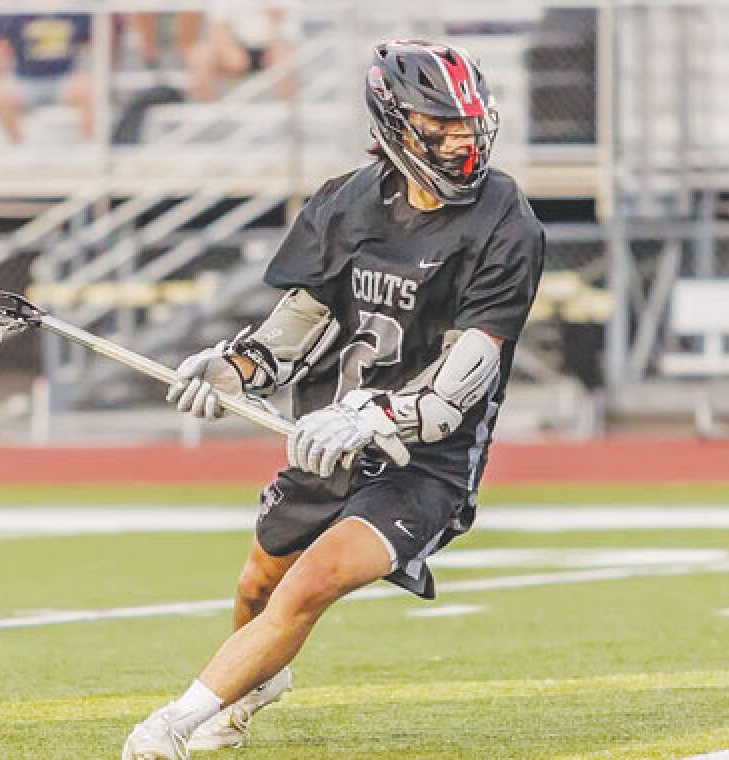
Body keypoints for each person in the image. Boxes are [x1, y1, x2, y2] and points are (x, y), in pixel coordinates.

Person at [121, 39, 545, 759]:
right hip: (326, 438)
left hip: (424, 460)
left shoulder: (506, 224)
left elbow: (458, 388)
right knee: (258, 583)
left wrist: (374, 413)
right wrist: (235, 367)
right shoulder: (347, 202)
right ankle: (251, 687)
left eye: (466, 126)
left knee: (310, 584)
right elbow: (300, 324)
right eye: (438, 126)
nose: (458, 143)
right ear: (394, 122)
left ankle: (172, 725)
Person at [0, 13, 93, 144]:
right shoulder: (15, 14)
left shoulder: (74, 12)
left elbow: (95, 41)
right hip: (24, 80)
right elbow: (1, 49)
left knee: (91, 89)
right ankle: (18, 147)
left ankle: (89, 146)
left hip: (63, 78)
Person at [185, 1, 296, 101]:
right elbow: (218, 27)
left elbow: (286, 31)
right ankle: (205, 115)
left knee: (283, 58)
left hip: (272, 47)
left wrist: (274, 45)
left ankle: (290, 116)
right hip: (236, 48)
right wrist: (228, 51)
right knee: (200, 55)